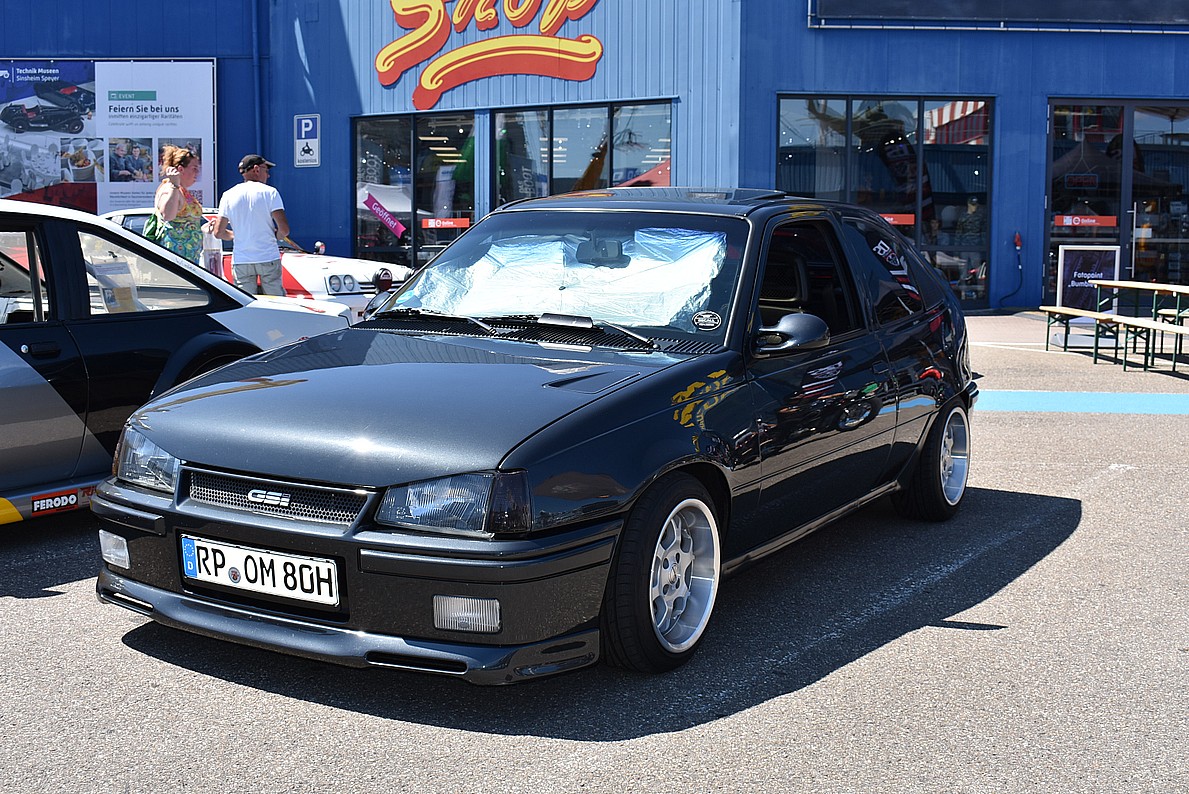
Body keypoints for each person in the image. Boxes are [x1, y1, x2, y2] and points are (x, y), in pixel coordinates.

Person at [212, 154, 288, 295]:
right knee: (277, 302)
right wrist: (277, 235)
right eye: (266, 170)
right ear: (256, 169)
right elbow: (284, 230)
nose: (268, 175)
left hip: (241, 260)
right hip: (268, 257)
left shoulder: (228, 195)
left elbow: (218, 232)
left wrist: (237, 235)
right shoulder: (270, 192)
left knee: (246, 301)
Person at [152, 144, 204, 263]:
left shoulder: (181, 190)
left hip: (188, 258)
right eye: (194, 168)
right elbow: (167, 215)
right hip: (175, 258)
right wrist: (174, 184)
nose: (197, 172)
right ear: (180, 169)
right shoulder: (169, 188)